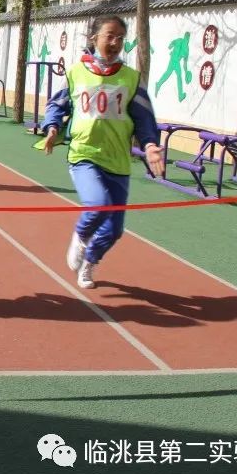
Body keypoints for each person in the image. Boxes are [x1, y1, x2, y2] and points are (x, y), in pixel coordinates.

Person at [40, 15, 165, 289]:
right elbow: (56, 106)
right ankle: (81, 237)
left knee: (115, 229)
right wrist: (51, 128)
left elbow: (145, 119)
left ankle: (90, 262)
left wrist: (151, 145)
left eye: (121, 37)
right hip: (84, 153)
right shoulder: (76, 73)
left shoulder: (131, 78)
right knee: (98, 203)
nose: (115, 42)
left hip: (118, 160)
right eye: (110, 35)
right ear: (94, 38)